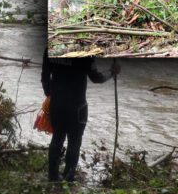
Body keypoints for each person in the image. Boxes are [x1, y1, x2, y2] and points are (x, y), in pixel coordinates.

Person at [41, 50, 119, 182]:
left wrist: (50, 95)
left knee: (57, 138)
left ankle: (53, 176)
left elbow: (44, 77)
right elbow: (96, 78)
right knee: (74, 142)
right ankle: (68, 177)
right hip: (77, 107)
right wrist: (112, 72)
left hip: (56, 104)